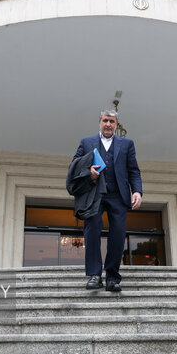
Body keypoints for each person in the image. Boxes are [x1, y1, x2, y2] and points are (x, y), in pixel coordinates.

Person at [72, 110, 142, 292]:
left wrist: (137, 191)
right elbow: (75, 166)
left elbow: (133, 171)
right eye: (105, 120)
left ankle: (112, 277)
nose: (108, 124)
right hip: (94, 194)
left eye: (112, 121)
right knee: (92, 231)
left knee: (118, 234)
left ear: (117, 125)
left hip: (118, 195)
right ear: (100, 122)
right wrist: (89, 173)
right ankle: (95, 275)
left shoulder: (127, 144)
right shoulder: (86, 143)